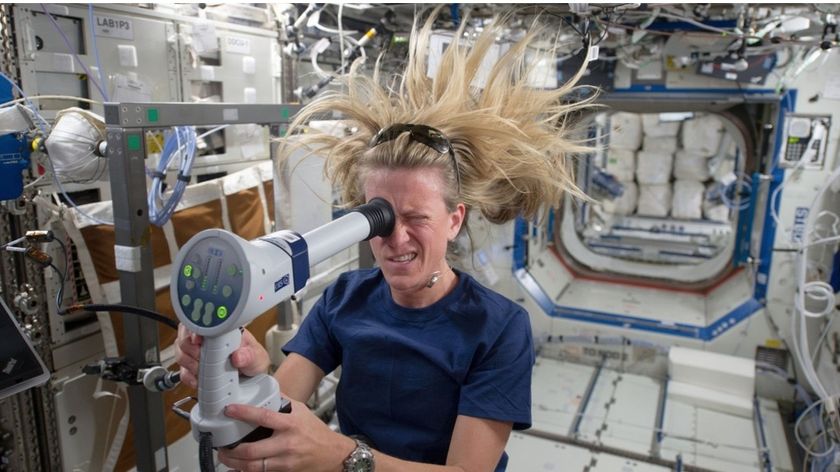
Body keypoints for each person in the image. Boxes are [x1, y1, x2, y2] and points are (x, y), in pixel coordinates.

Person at [175, 8, 591, 472]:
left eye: (417, 217)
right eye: (379, 219)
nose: (396, 237)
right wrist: (245, 377)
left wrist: (345, 457)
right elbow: (271, 416)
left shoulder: (498, 329)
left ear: (455, 220)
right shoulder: (344, 299)